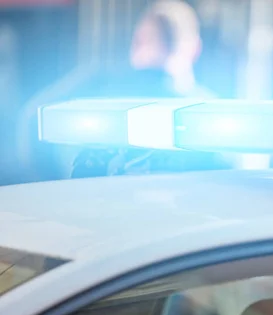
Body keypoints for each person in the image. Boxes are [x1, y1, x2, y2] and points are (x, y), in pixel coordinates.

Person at [15, 0, 227, 183]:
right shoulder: (214, 110)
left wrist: (52, 187)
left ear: (136, 42)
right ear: (196, 49)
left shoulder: (97, 86)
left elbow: (34, 116)